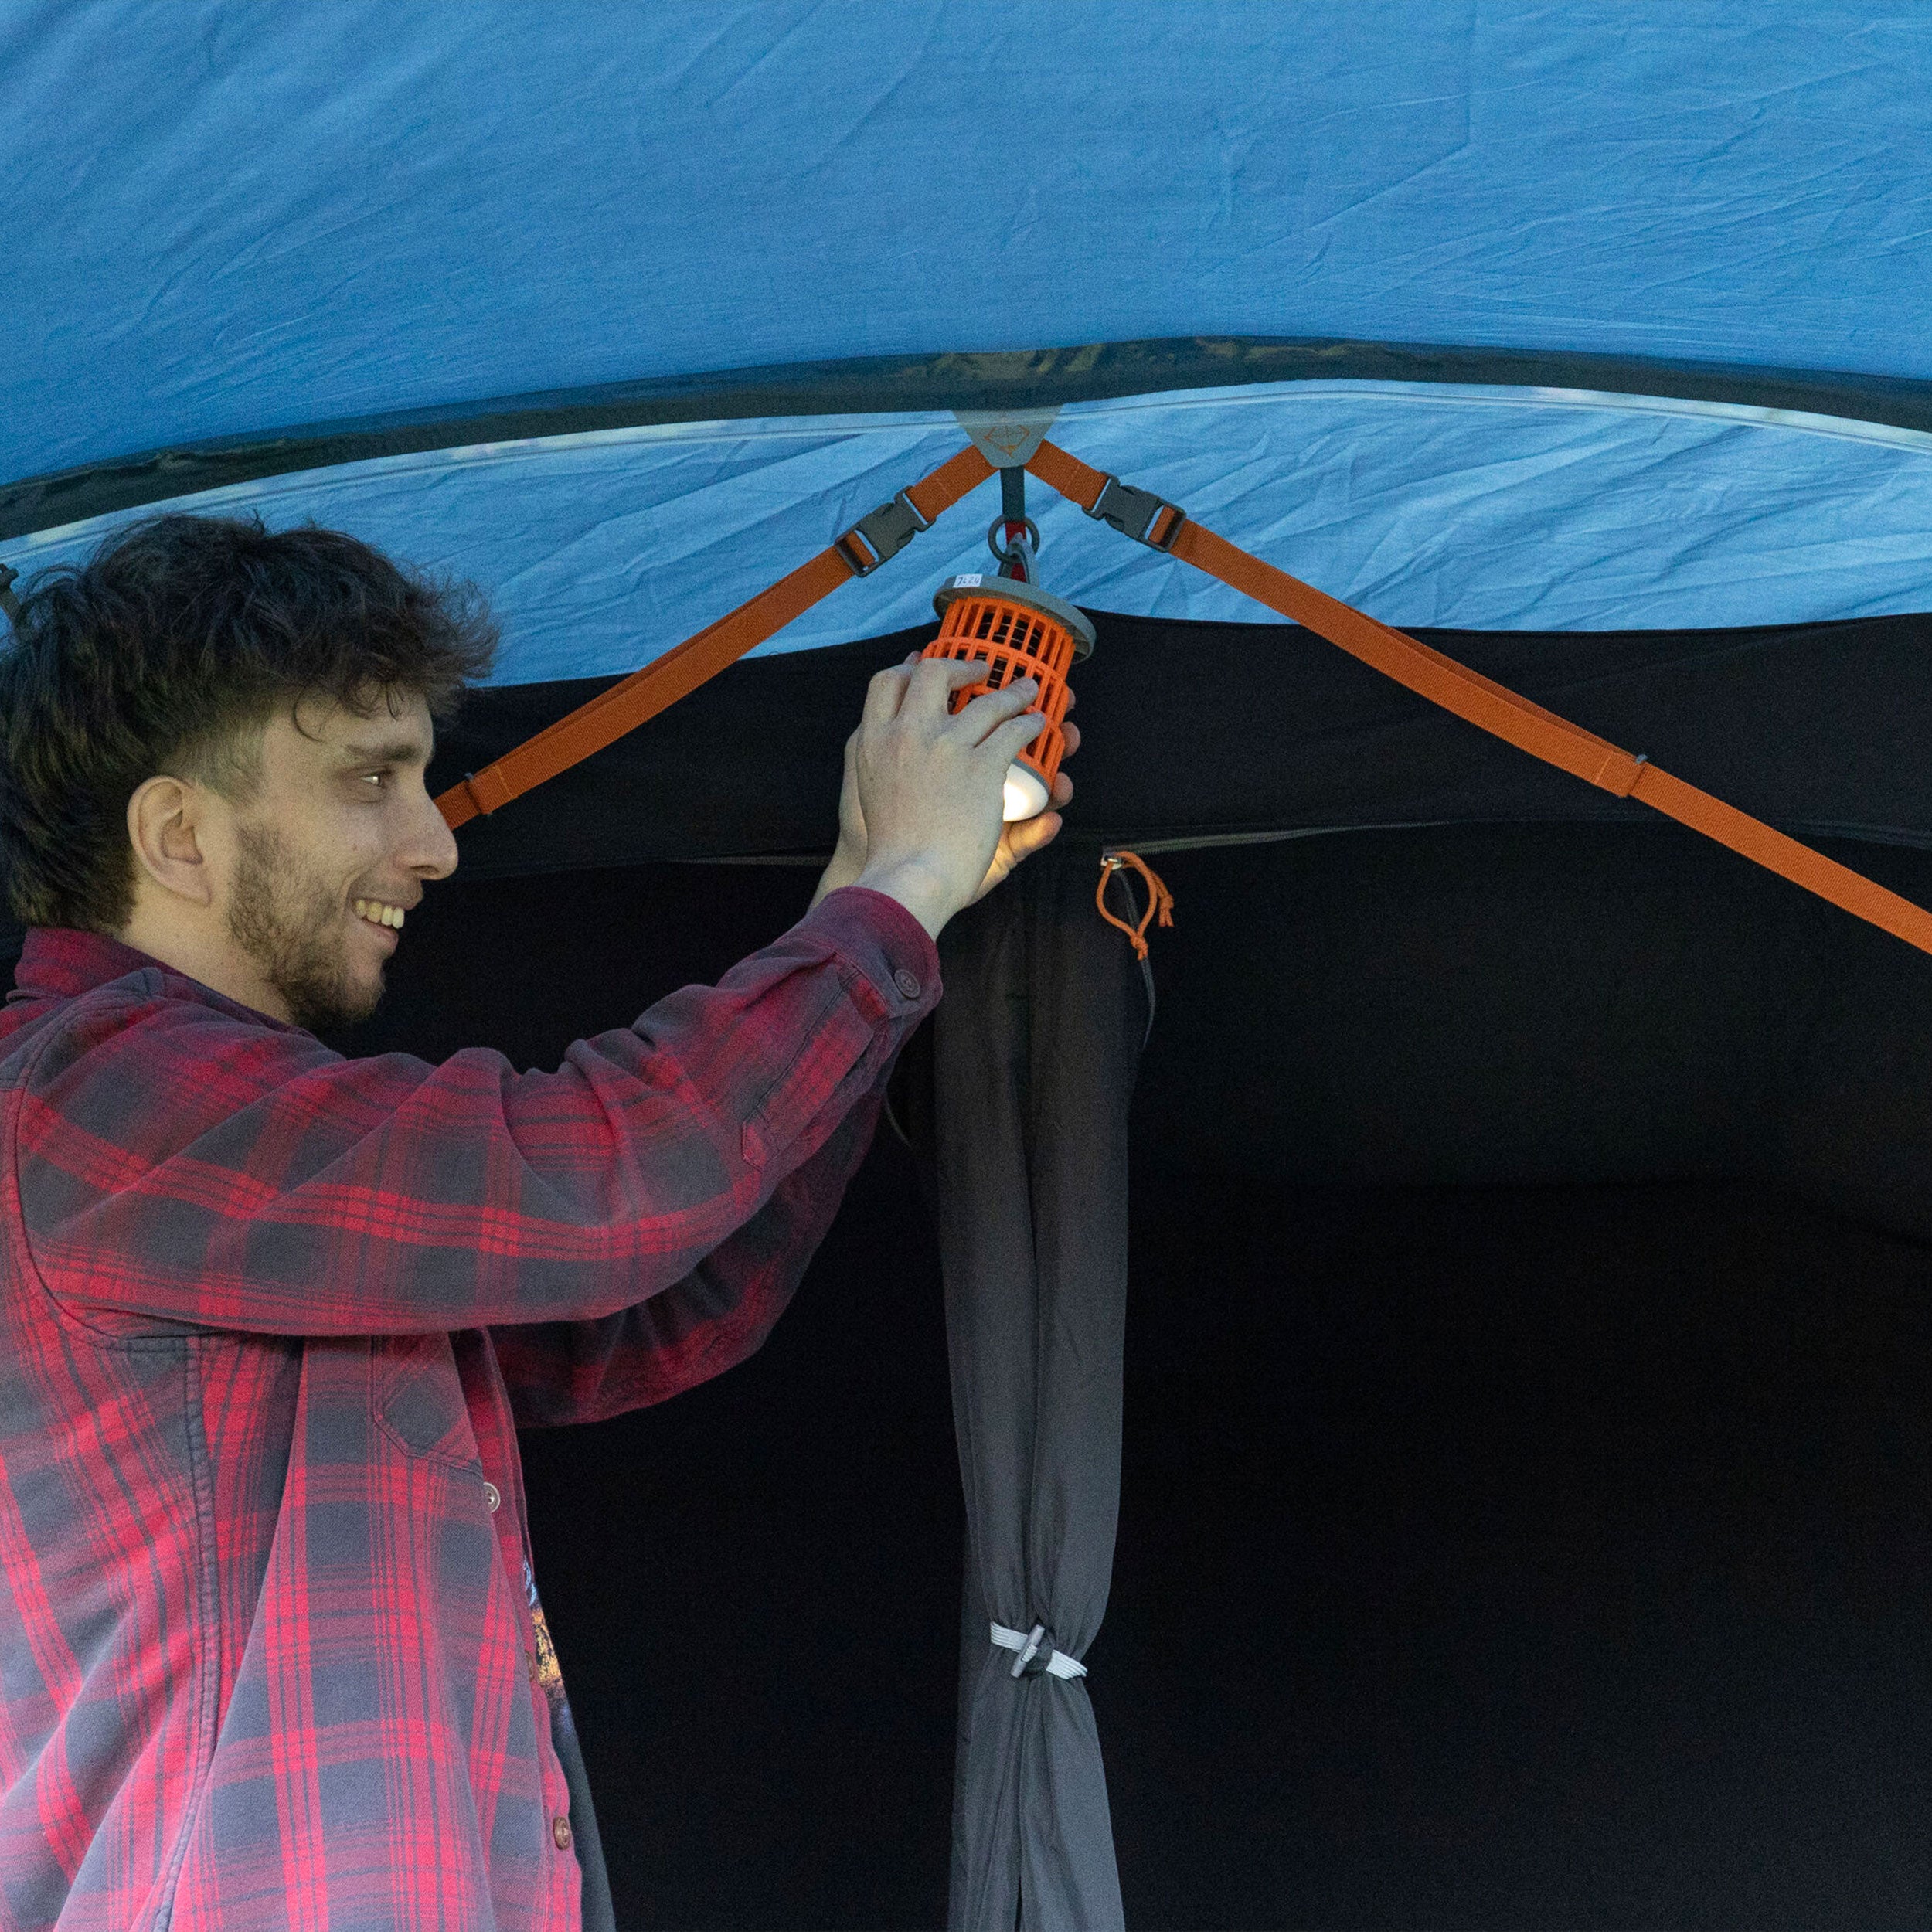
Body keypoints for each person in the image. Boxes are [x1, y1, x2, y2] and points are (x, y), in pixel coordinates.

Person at [0, 512, 1077, 1930]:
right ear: (178, 835)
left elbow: (646, 1307)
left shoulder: (252, 1182)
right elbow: (608, 1183)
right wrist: (894, 896)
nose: (433, 843)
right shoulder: (92, 1102)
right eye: (370, 779)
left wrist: (868, 902)